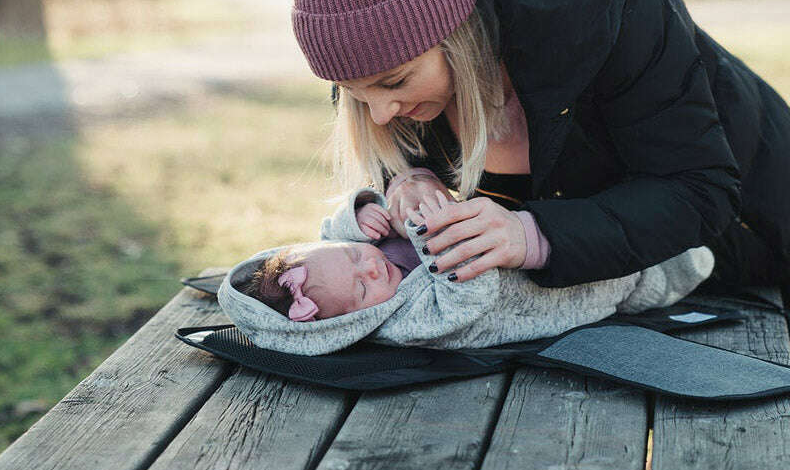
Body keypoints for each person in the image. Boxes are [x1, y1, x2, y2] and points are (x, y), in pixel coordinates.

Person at [279, 0, 790, 293]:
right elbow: (384, 112)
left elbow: (698, 188)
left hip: (762, 229)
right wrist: (408, 181)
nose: (380, 114)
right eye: (352, 92)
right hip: (641, 305)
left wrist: (531, 233)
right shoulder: (378, 68)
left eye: (394, 81)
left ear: (456, 32)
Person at [217, 187, 713, 356]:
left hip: (551, 246)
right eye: (364, 286)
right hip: (565, 296)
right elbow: (468, 295)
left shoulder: (346, 255)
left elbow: (334, 227)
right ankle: (687, 269)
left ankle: (683, 239)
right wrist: (426, 236)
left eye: (353, 256)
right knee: (641, 283)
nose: (371, 265)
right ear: (350, 323)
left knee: (623, 237)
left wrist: (365, 211)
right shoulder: (406, 326)